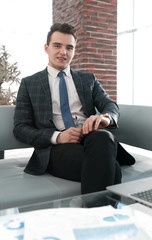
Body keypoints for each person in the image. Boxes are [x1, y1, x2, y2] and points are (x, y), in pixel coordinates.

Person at [14, 23, 135, 194]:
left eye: (69, 47)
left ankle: (89, 215)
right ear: (46, 48)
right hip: (56, 148)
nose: (63, 52)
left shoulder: (88, 80)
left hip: (93, 138)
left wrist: (104, 118)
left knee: (103, 136)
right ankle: (95, 215)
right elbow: (20, 128)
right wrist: (58, 137)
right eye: (57, 45)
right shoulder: (29, 84)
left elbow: (110, 105)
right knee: (112, 170)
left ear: (74, 52)